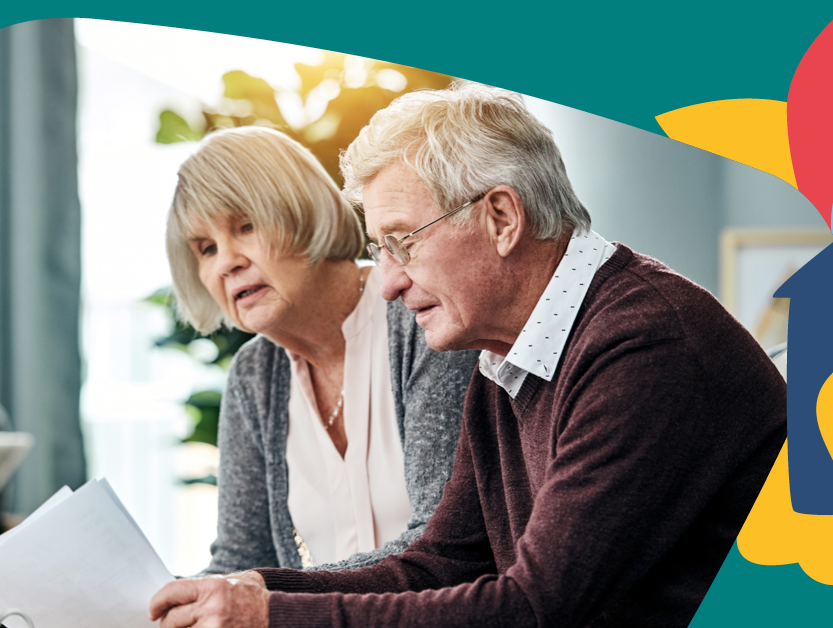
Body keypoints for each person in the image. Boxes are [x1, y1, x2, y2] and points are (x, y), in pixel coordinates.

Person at [152, 84, 787, 628]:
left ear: (503, 217)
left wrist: (273, 616)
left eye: (403, 243)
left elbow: (537, 608)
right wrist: (252, 593)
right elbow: (442, 561)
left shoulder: (643, 345)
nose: (389, 280)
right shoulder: (510, 353)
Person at [164, 126, 477, 575]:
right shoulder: (255, 375)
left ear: (304, 212)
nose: (226, 261)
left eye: (246, 226)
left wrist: (269, 598)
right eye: (206, 248)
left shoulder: (421, 317)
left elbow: (441, 546)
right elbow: (241, 562)